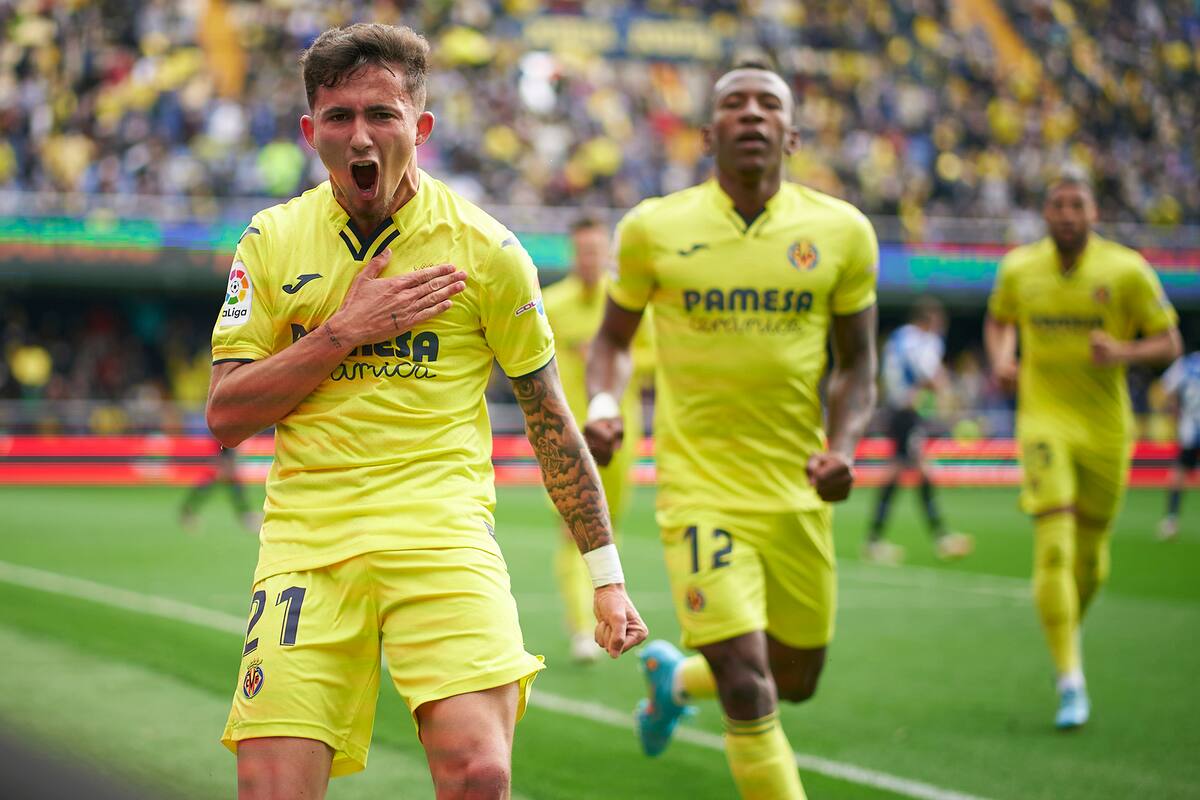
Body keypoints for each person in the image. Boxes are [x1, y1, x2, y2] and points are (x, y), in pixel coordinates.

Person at [204, 24, 646, 800]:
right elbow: (226, 415)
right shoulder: (271, 241)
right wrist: (345, 331)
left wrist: (606, 577)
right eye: (338, 117)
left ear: (422, 128)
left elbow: (549, 419)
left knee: (481, 772)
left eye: (383, 114)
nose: (360, 135)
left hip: (439, 535)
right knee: (271, 790)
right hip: (309, 546)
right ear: (311, 134)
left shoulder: (487, 250)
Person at [586, 60, 878, 799]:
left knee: (795, 678)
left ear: (793, 132)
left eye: (769, 104)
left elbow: (857, 365)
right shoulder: (655, 227)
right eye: (735, 104)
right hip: (700, 493)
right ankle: (706, 685)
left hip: (796, 491)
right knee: (749, 688)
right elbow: (613, 341)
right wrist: (604, 405)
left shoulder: (842, 232)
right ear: (710, 132)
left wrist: (843, 446)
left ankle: (675, 681)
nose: (752, 114)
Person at [985, 175, 1181, 730]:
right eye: (1057, 205)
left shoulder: (1126, 270)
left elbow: (1169, 342)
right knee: (1053, 548)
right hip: (1042, 419)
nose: (1067, 214)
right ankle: (1071, 680)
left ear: (1094, 211)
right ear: (1044, 213)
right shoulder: (1020, 268)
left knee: (1091, 560)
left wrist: (1123, 349)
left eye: (1077, 205)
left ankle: (1066, 631)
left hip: (1105, 426)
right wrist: (1002, 357)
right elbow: (998, 318)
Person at [542, 215, 651, 663]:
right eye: (583, 252)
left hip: (620, 435)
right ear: (574, 255)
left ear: (608, 254)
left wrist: (609, 357)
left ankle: (608, 613)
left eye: (597, 252)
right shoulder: (550, 303)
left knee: (611, 530)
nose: (590, 260)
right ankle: (582, 631)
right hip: (565, 437)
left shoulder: (625, 303)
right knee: (574, 532)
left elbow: (655, 355)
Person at [864, 296, 973, 564]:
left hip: (897, 409)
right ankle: (939, 538)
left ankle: (879, 540)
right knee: (912, 471)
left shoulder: (897, 338)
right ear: (929, 320)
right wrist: (949, 397)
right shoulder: (925, 340)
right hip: (907, 412)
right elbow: (928, 373)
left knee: (906, 471)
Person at [1158, 349, 1200, 540]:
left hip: (1190, 429)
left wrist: (1174, 412)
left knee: (1179, 473)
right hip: (1190, 429)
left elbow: (1166, 388)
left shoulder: (1186, 364)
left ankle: (1171, 520)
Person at [179, 442, 260, 533]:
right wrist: (223, 468)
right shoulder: (224, 440)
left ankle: (187, 511)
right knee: (206, 489)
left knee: (234, 490)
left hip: (222, 467)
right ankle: (187, 512)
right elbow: (221, 451)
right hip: (218, 467)